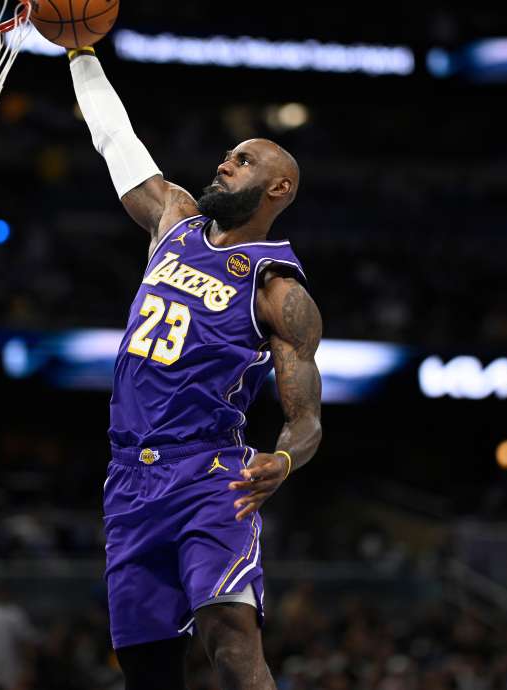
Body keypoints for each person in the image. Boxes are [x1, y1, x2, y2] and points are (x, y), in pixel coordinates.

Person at [66, 45, 324, 690]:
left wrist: (285, 459)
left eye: (243, 160)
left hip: (208, 473)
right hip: (128, 475)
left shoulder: (279, 291)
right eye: (227, 154)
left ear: (278, 187)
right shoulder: (173, 219)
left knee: (230, 640)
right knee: (146, 668)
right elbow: (113, 138)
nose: (224, 162)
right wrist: (80, 55)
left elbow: (307, 418)